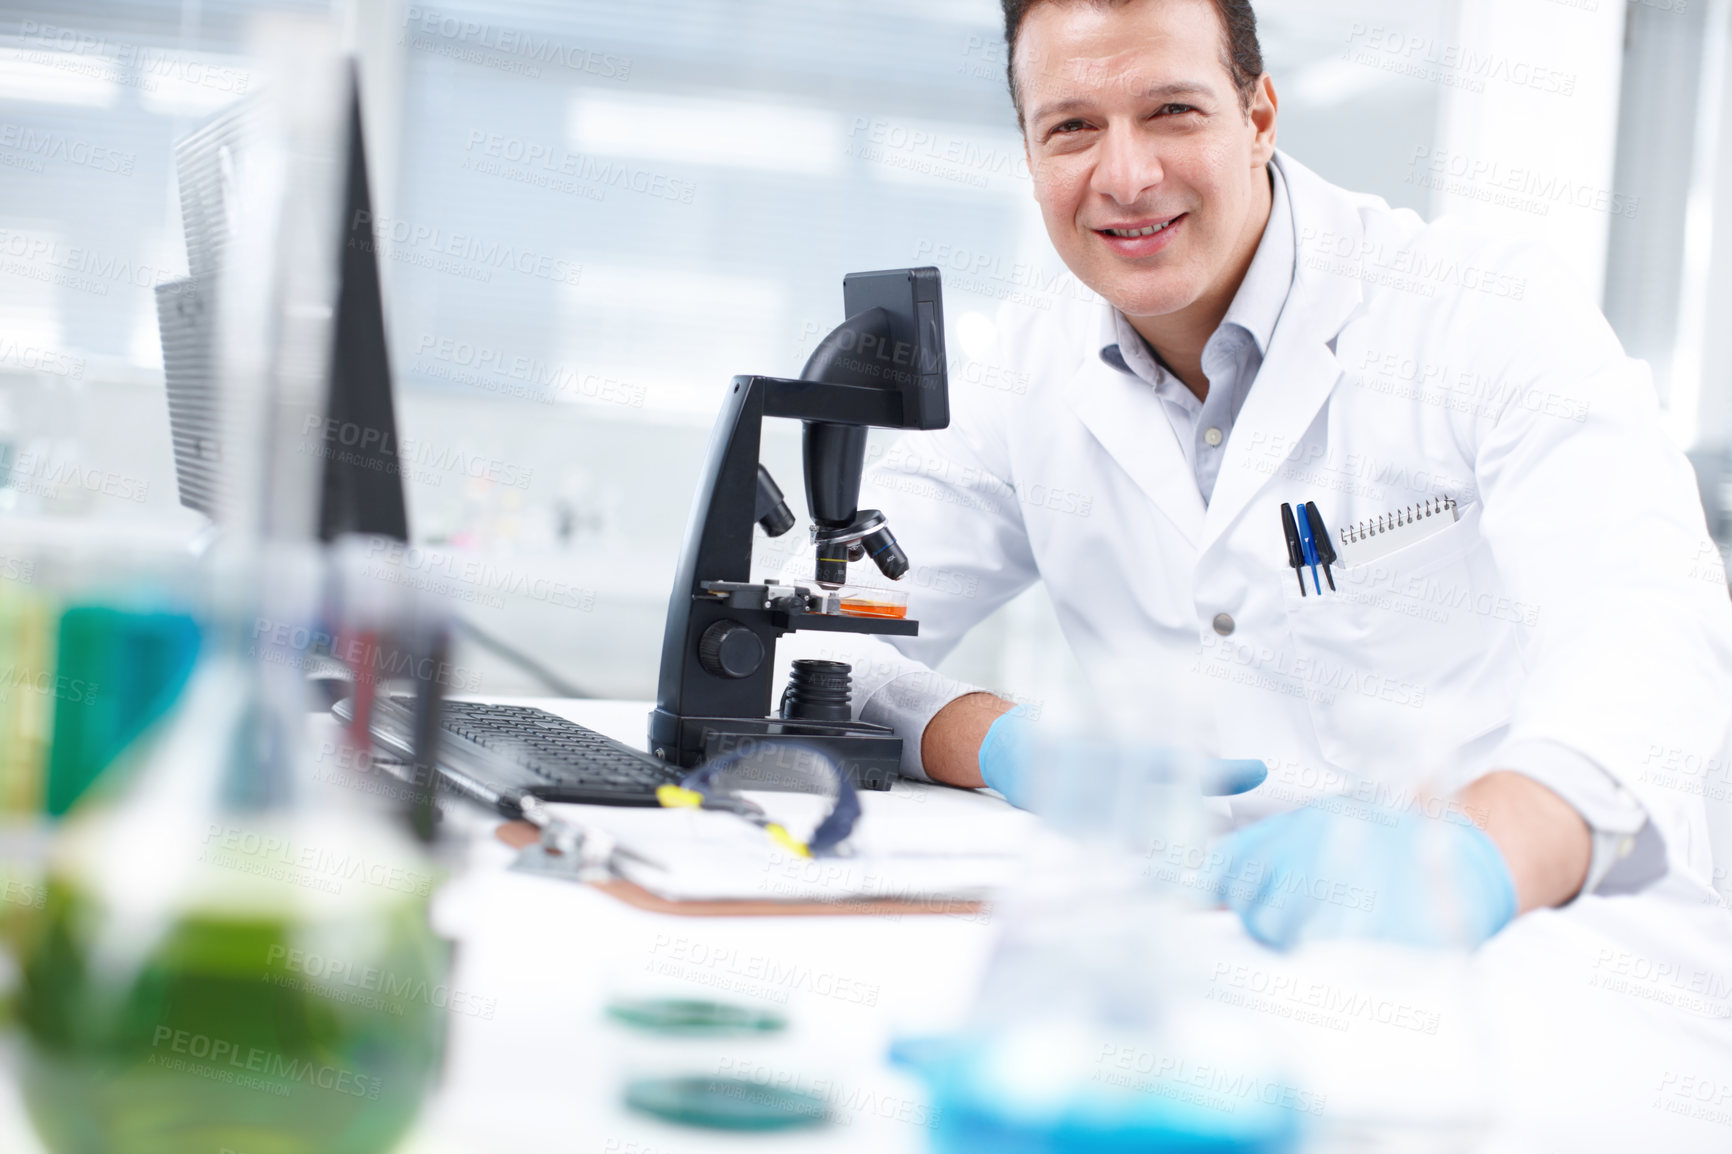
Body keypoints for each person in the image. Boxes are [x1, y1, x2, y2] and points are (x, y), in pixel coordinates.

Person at [780, 0, 1732, 958]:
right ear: (1031, 158)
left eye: (1172, 112)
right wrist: (984, 735)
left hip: (1522, 957)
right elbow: (802, 637)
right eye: (1072, 128)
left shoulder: (1483, 314)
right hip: (1197, 952)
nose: (1125, 176)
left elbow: (1650, 634)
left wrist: (1477, 852)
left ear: (1260, 118)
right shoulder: (1024, 375)